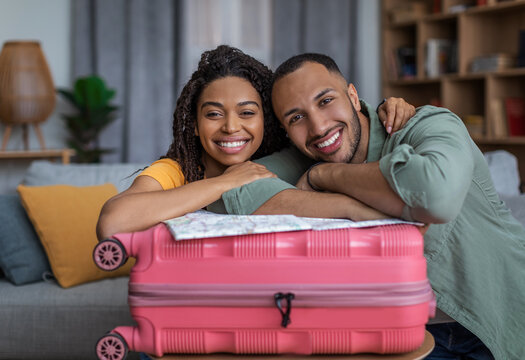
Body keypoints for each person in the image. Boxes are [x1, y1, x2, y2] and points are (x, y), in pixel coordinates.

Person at [218, 53, 525, 360]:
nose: (318, 127)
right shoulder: (306, 155)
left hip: (499, 321)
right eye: (296, 118)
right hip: (408, 334)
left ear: (353, 96)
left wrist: (325, 175)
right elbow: (232, 188)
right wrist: (348, 206)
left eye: (325, 101)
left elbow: (435, 196)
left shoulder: (426, 123)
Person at [96, 46, 413, 240]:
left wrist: (389, 108)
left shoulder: (281, 159)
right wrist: (225, 183)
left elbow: (333, 124)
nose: (231, 127)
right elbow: (113, 222)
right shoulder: (175, 171)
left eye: (247, 112)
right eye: (214, 114)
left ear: (268, 119)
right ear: (193, 124)